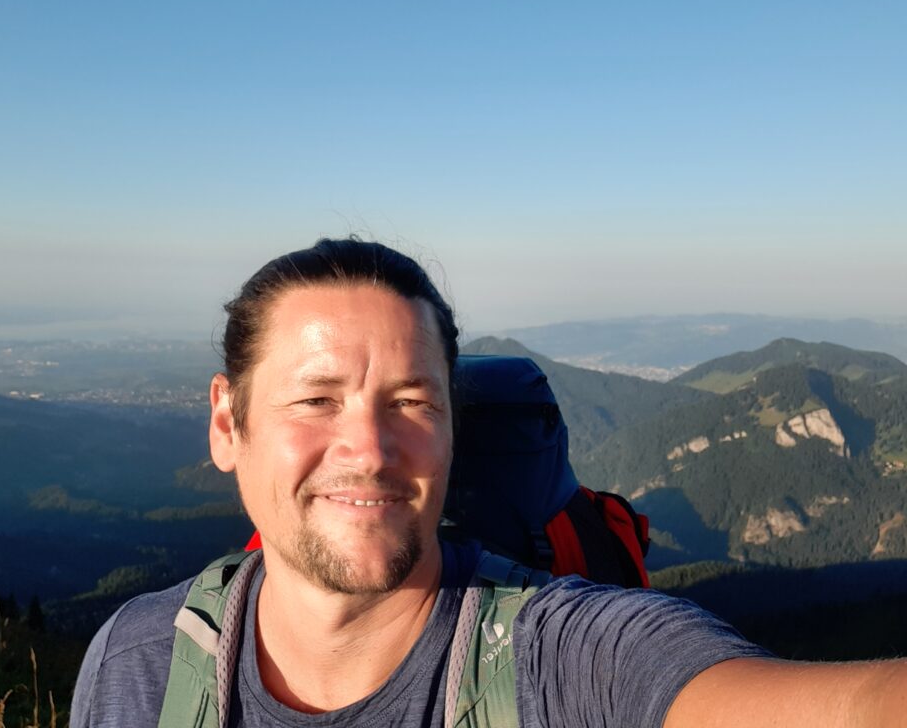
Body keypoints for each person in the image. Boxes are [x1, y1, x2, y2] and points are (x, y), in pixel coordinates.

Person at [71, 237, 907, 727]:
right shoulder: (137, 667)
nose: (370, 448)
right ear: (228, 424)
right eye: (317, 399)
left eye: (412, 402)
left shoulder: (565, 662)